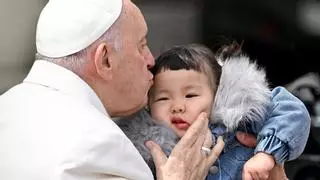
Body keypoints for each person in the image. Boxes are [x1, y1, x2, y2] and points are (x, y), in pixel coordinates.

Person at [0, 0, 225, 179]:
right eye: (141, 45)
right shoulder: (101, 147)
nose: (150, 60)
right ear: (105, 60)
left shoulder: (6, 107)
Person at [119, 44, 310, 180]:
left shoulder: (239, 124)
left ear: (217, 95)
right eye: (163, 98)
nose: (178, 106)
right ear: (148, 105)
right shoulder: (145, 153)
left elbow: (291, 111)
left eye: (191, 95)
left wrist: (266, 155)